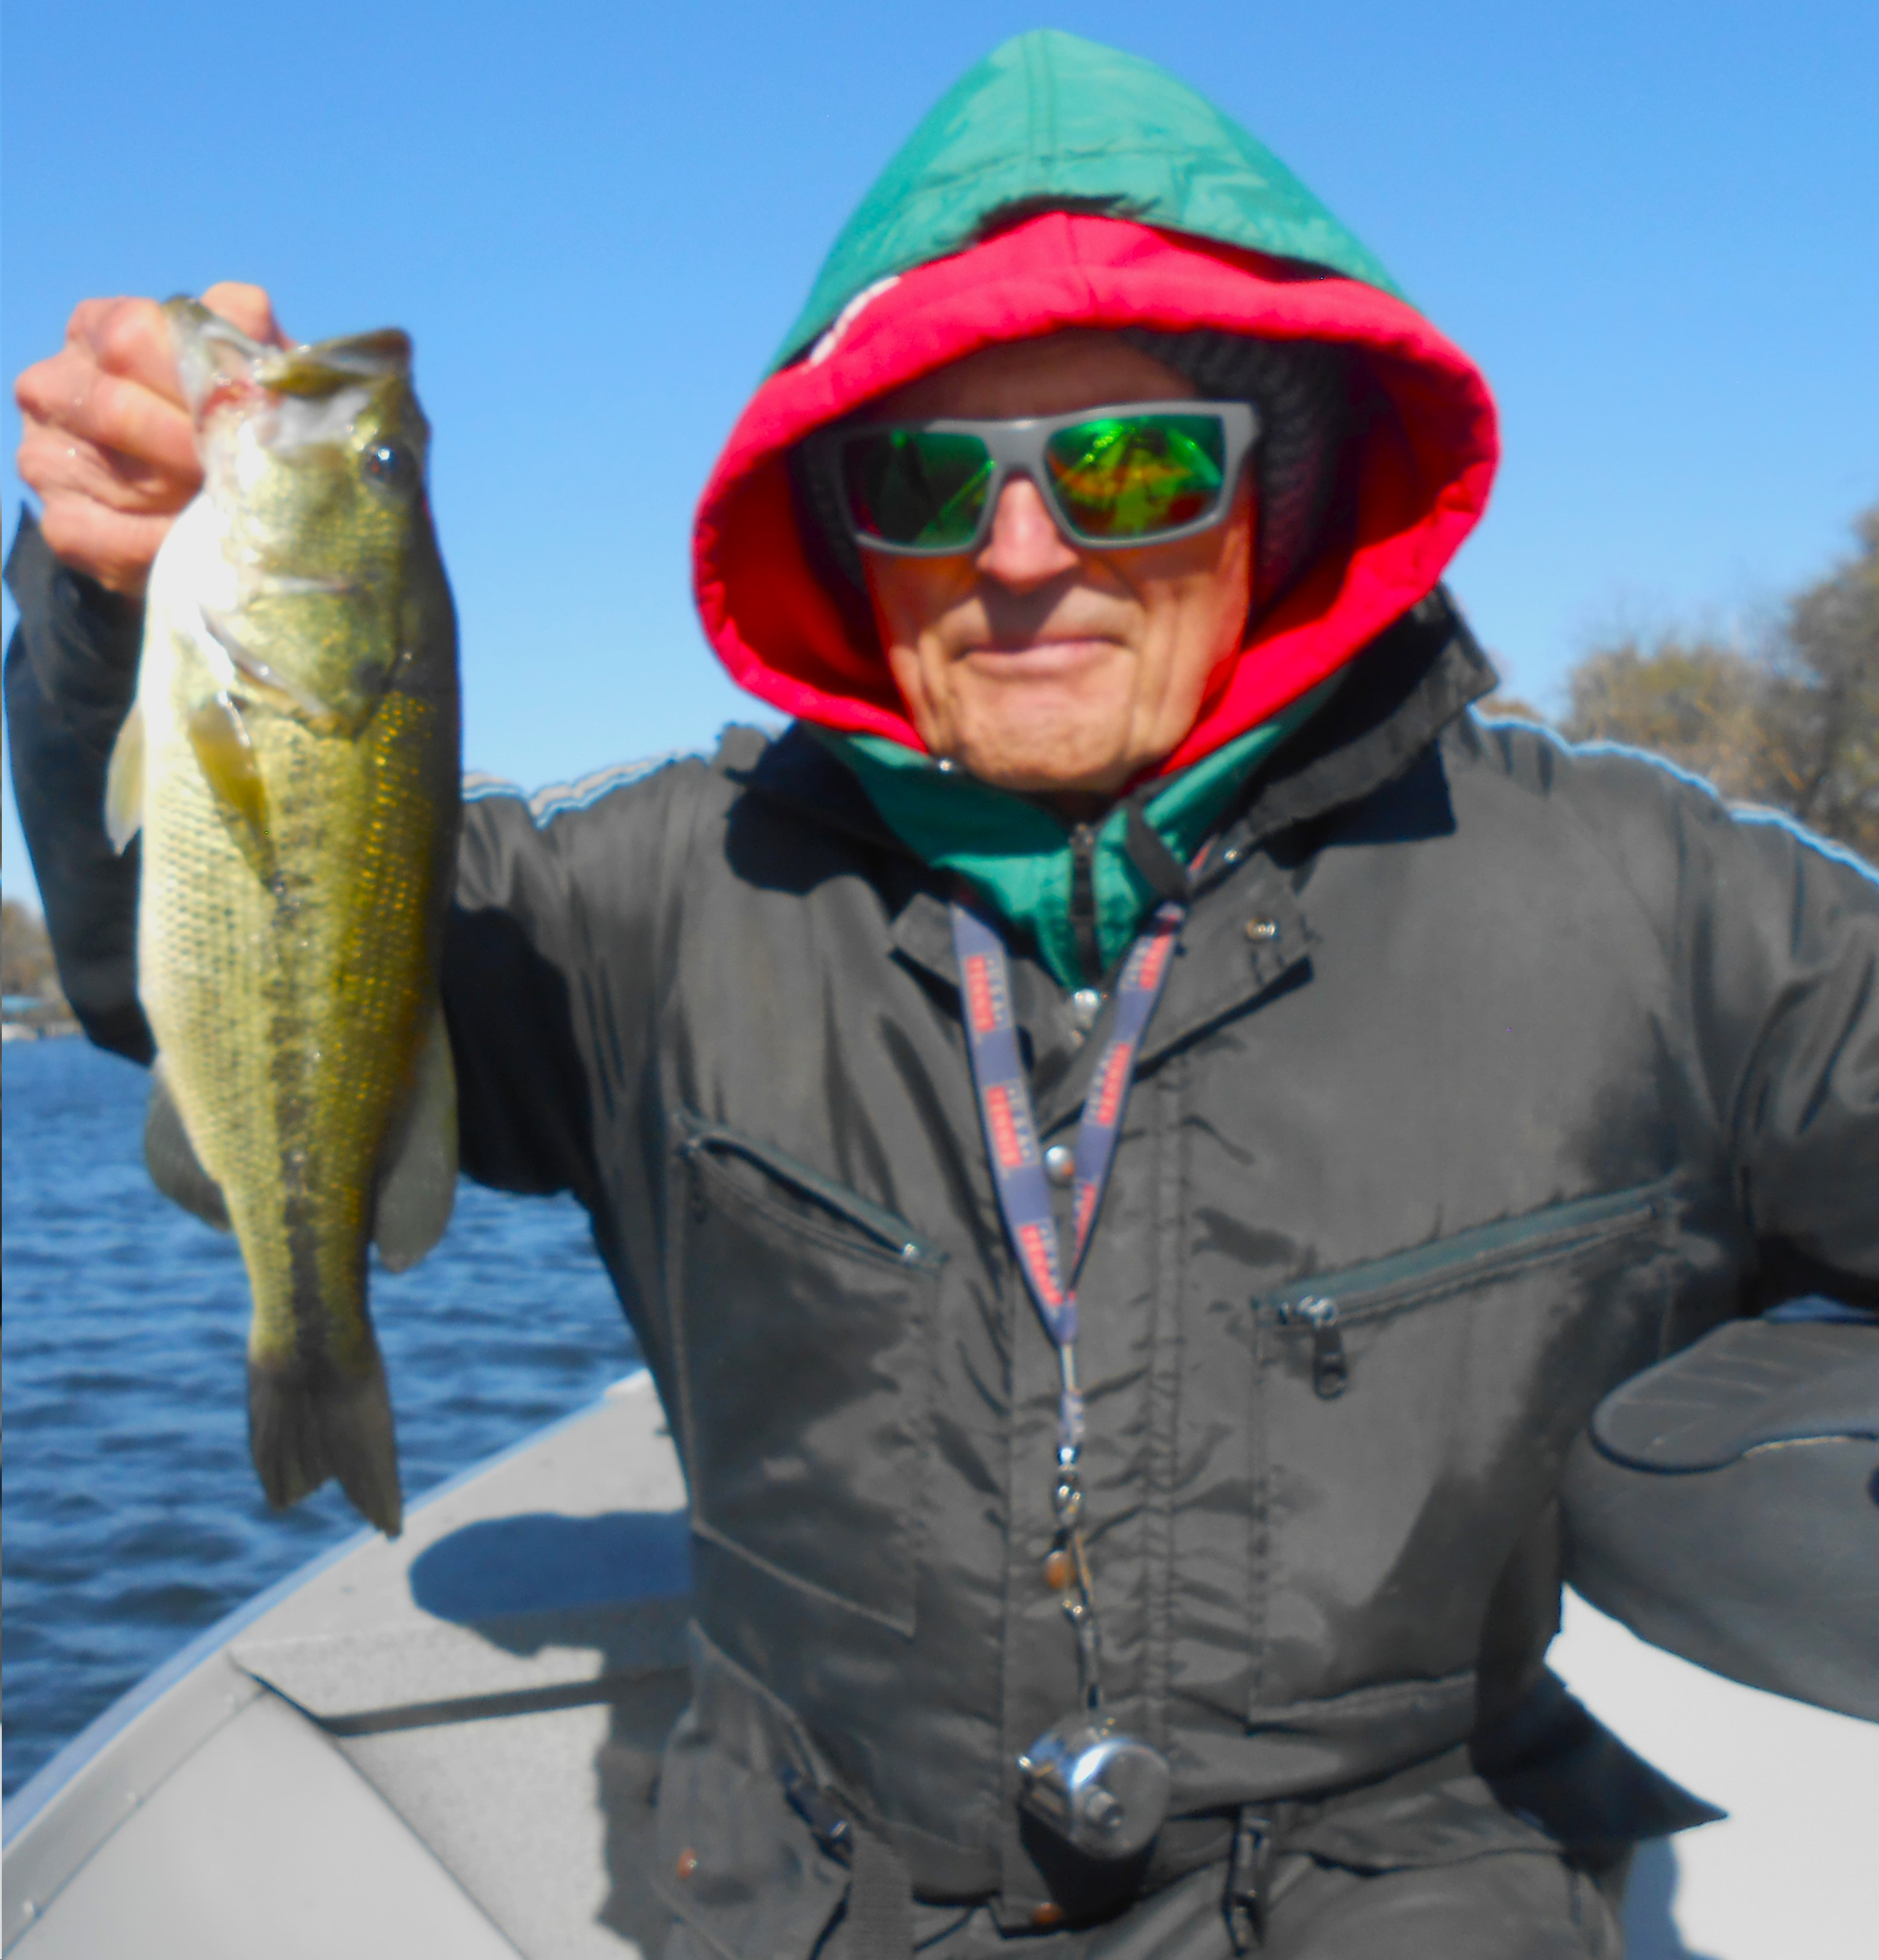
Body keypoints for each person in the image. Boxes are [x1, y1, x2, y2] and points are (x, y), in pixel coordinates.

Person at [9, 29, 1876, 1960]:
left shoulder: (1653, 902)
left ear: (1281, 495)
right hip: (826, 1899)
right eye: (922, 478)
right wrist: (104, 616)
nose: (1023, 553)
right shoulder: (659, 892)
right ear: (837, 525)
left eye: (1132, 465)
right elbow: (218, 951)